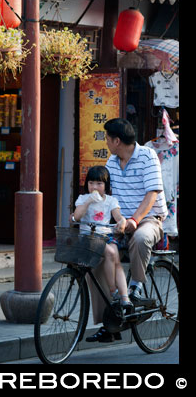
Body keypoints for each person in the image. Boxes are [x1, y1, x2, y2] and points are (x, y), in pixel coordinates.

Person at [85, 118, 167, 343]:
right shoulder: (112, 161)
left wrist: (134, 219)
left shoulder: (148, 156)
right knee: (97, 253)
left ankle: (136, 287)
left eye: (107, 138)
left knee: (140, 237)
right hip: (120, 221)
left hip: (149, 219)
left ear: (116, 140)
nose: (107, 142)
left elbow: (152, 194)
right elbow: (108, 197)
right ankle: (109, 321)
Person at [72, 166, 132, 317]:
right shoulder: (82, 199)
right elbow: (77, 217)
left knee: (116, 258)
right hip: (89, 238)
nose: (95, 187)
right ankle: (113, 291)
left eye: (99, 184)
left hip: (106, 236)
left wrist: (122, 223)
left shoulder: (111, 201)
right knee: (111, 251)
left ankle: (125, 298)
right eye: (91, 183)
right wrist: (87, 203)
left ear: (106, 186)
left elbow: (118, 217)